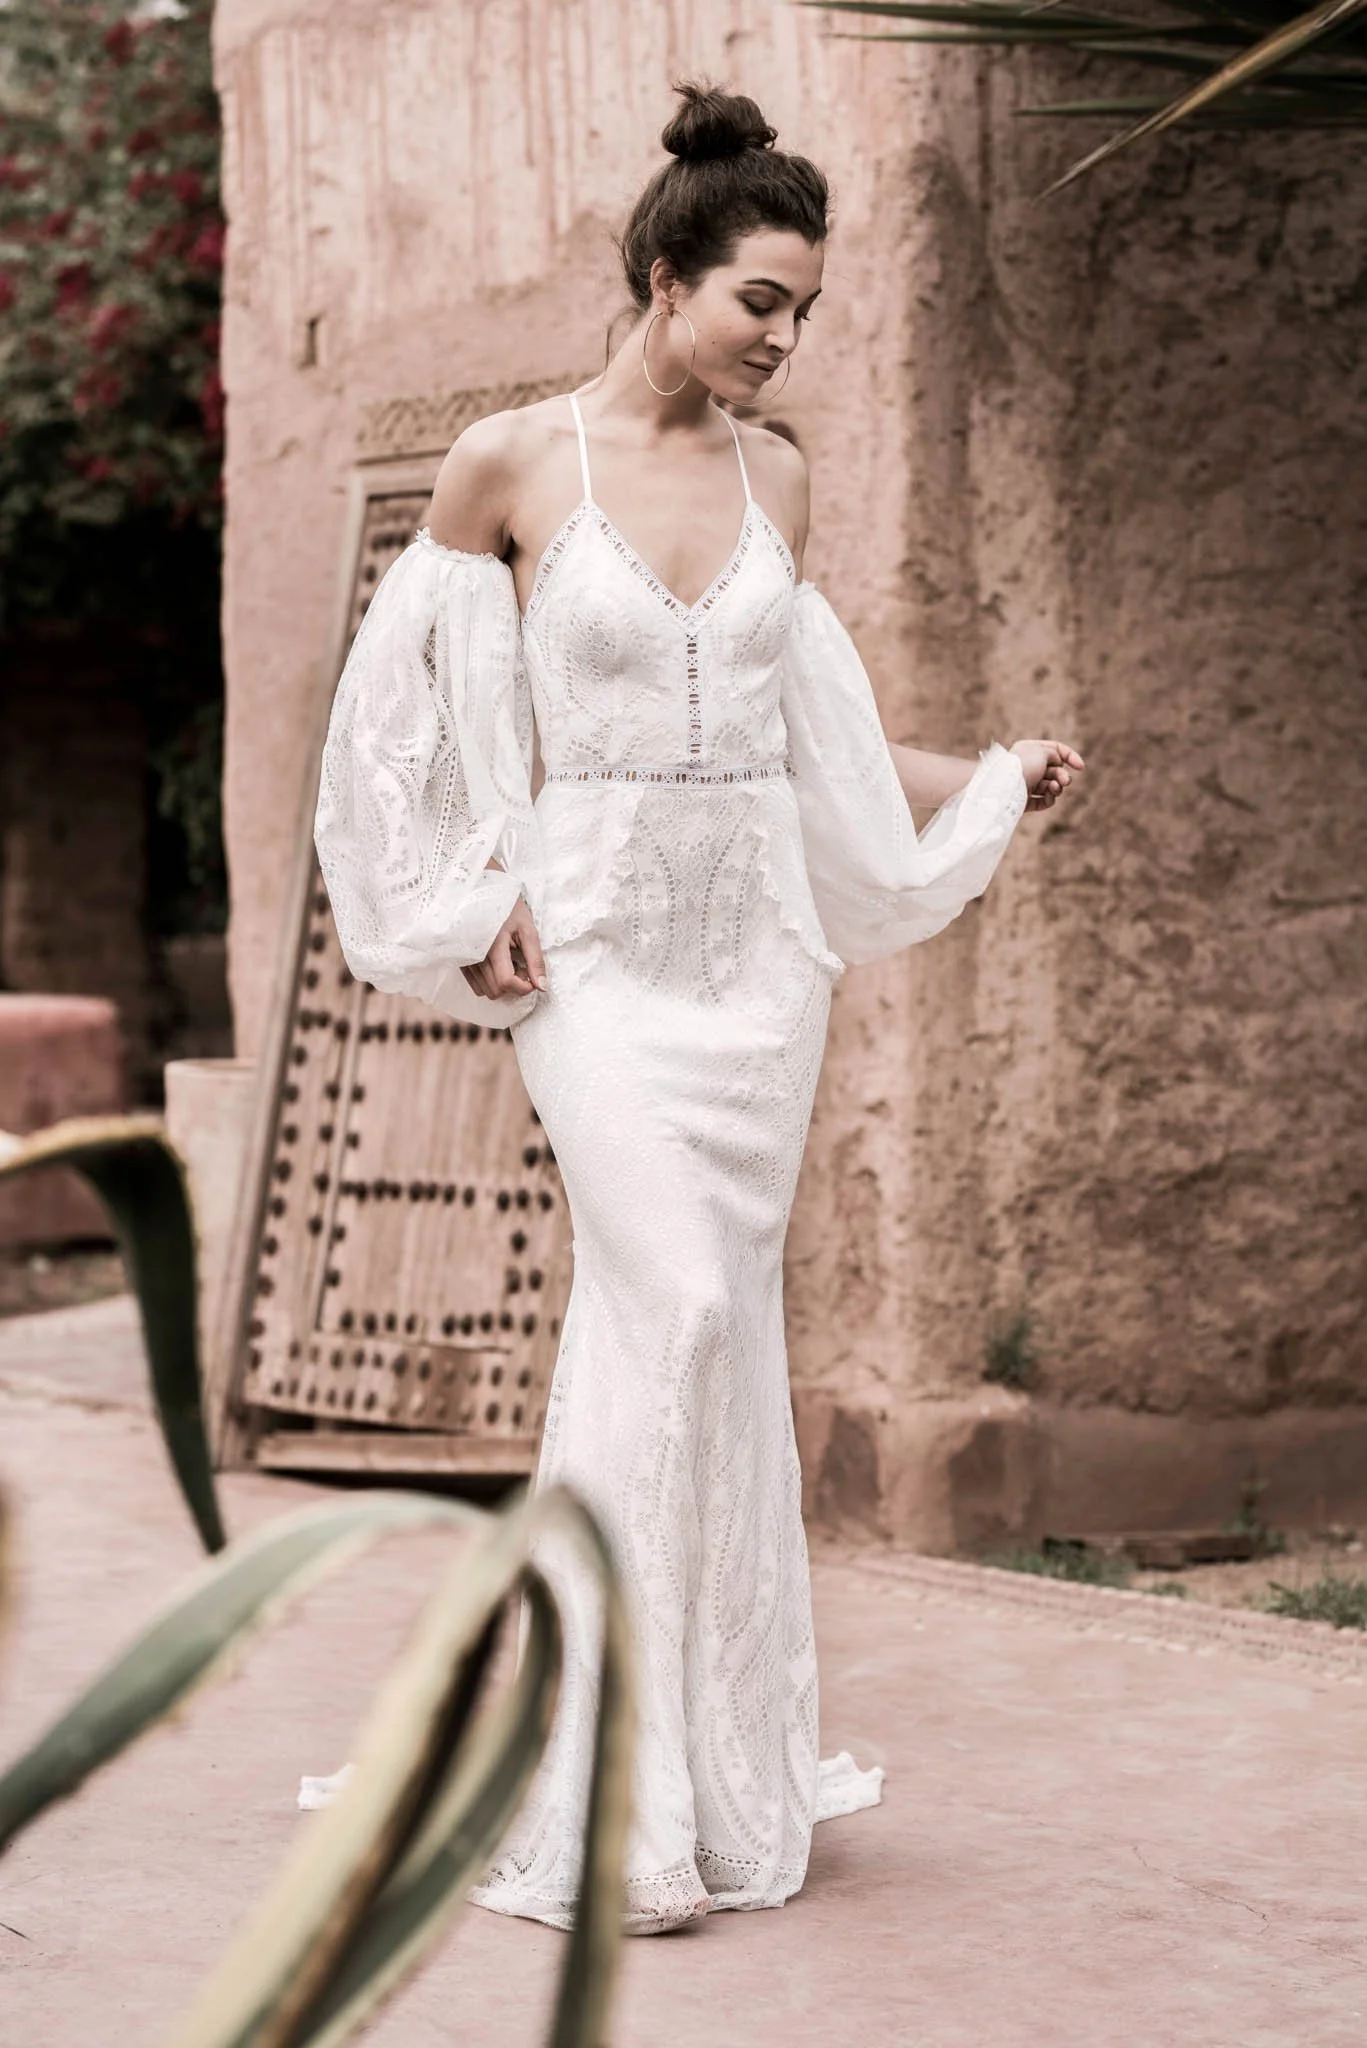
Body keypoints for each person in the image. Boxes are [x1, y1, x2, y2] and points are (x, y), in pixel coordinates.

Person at [313, 80, 1084, 1935]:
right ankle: (604, 1798)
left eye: (803, 308)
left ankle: (680, 1762)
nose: (784, 335)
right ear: (665, 278)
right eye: (761, 298)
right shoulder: (511, 463)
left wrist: (982, 773)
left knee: (703, 1343)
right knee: (676, 1296)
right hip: (596, 966)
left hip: (754, 974)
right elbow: (389, 730)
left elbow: (804, 738)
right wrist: (465, 902)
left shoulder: (781, 479)